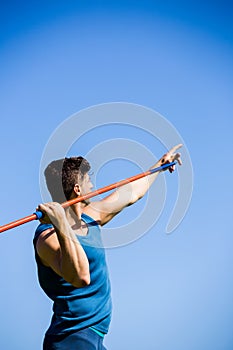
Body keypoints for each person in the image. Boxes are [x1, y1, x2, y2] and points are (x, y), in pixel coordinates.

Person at [33, 144, 182, 350]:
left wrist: (159, 166)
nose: (93, 186)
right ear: (78, 189)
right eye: (89, 181)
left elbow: (130, 194)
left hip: (95, 338)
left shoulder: (90, 218)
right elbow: (81, 276)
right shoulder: (48, 237)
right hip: (71, 339)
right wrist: (61, 225)